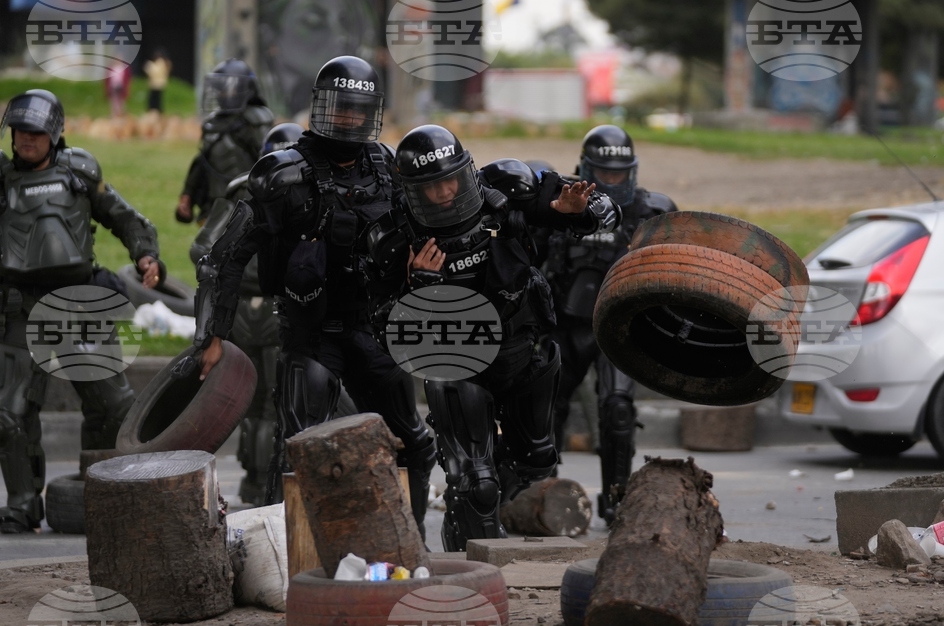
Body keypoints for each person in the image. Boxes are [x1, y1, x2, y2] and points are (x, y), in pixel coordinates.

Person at [191, 56, 436, 540]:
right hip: (311, 334)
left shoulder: (387, 167)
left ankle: (411, 543)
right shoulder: (282, 176)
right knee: (304, 451)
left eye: (357, 110)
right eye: (338, 109)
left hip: (374, 331)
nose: (347, 119)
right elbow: (223, 258)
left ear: (372, 113)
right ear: (320, 109)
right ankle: (297, 558)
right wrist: (211, 336)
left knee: (415, 445)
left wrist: (419, 265)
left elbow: (421, 230)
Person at [0, 89, 164, 534]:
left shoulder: (80, 174)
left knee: (115, 406)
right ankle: (22, 505)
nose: (27, 138)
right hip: (18, 311)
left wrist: (146, 256)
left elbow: (125, 217)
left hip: (81, 305)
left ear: (54, 133)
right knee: (9, 417)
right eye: (20, 130)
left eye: (36, 131)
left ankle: (102, 492)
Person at [392, 124, 620, 552]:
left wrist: (577, 211)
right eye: (431, 187)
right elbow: (388, 329)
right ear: (411, 191)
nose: (444, 194)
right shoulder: (397, 232)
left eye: (450, 181)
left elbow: (600, 209)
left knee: (536, 462)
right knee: (474, 479)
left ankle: (487, 504)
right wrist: (419, 287)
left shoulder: (504, 187)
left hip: (523, 347)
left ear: (466, 171)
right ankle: (469, 552)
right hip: (457, 360)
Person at [538, 124, 677, 526]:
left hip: (619, 328)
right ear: (586, 169)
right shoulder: (561, 203)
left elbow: (676, 271)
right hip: (565, 323)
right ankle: (542, 497)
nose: (612, 182)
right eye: (605, 174)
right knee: (546, 410)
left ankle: (617, 499)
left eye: (619, 174)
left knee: (617, 408)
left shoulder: (653, 212)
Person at [189, 122, 309, 507]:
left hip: (244, 308)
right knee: (277, 402)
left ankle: (258, 483)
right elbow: (205, 251)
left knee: (259, 402)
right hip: (270, 308)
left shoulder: (244, 189)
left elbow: (202, 249)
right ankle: (269, 486)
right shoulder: (255, 190)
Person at [176, 59, 274, 226]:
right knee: (202, 250)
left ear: (245, 88)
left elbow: (270, 163)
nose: (222, 93)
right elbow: (203, 163)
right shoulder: (213, 123)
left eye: (227, 88)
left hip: (249, 205)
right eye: (219, 88)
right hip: (215, 207)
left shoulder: (257, 120)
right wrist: (188, 195)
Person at [143, 48, 171, 114]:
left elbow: (155, 71)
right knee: (155, 98)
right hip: (157, 83)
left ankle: (155, 110)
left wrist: (149, 68)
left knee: (155, 98)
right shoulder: (162, 62)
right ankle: (155, 110)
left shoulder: (160, 62)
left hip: (157, 83)